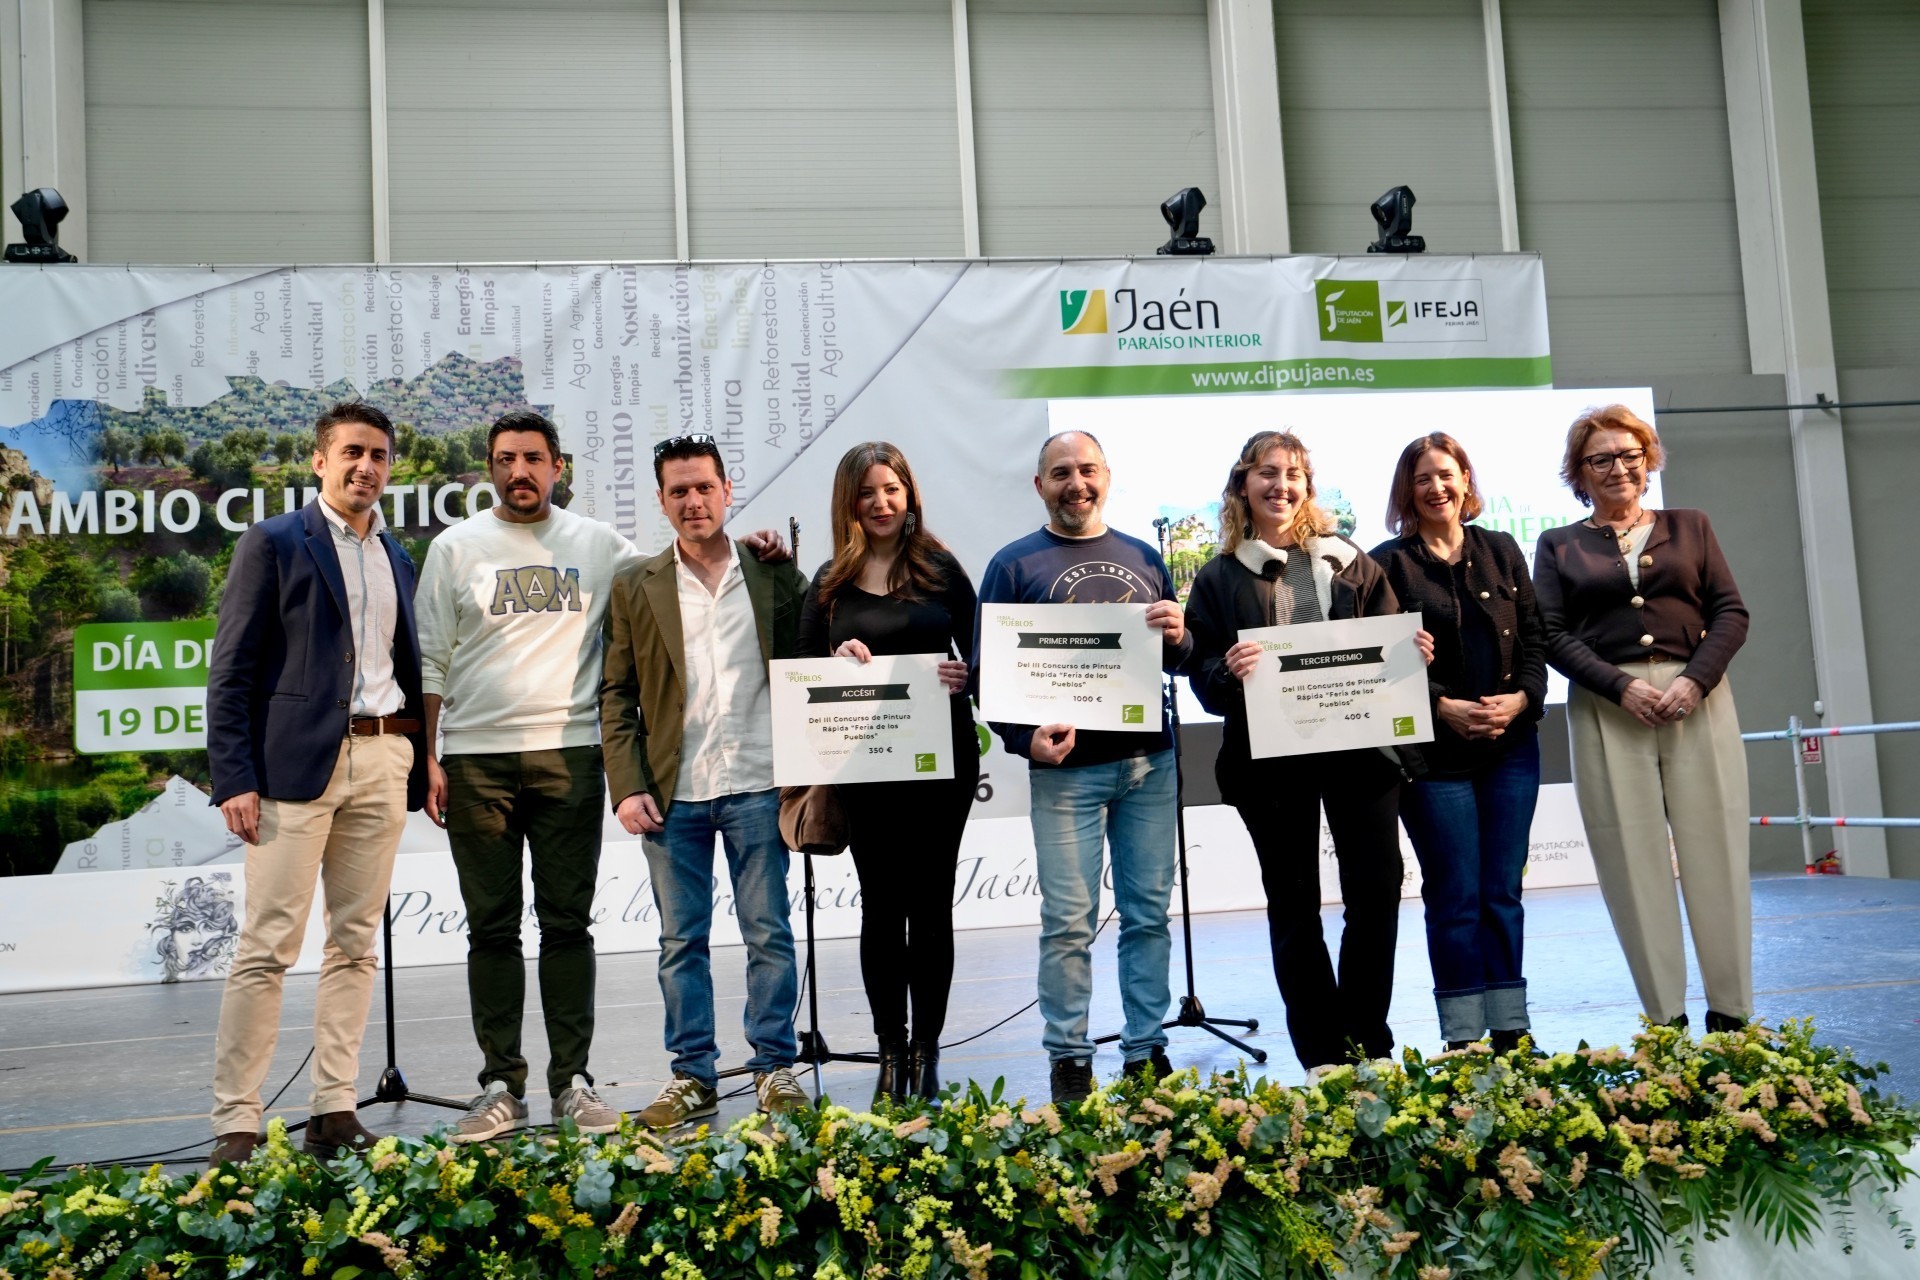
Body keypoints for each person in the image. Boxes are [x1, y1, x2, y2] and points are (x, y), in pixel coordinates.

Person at [203, 401, 427, 1166]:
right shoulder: (272, 543)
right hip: (293, 772)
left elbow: (405, 667)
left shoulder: (397, 554)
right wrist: (234, 774)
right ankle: (236, 1119)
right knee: (267, 947)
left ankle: (334, 1107)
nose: (367, 466)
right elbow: (231, 668)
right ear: (321, 461)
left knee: (357, 946)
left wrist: (418, 760)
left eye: (380, 455)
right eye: (353, 452)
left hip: (383, 756)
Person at [414, 410, 638, 1142]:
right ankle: (499, 1085)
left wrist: (754, 550)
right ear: (488, 468)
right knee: (492, 928)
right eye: (507, 459)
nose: (521, 472)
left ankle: (572, 1080)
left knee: (568, 924)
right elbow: (431, 662)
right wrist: (429, 756)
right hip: (475, 760)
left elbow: (674, 583)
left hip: (570, 754)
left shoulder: (600, 545)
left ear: (558, 466)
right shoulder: (454, 548)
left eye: (534, 459)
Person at [1185, 430, 1430, 1075]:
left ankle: (1366, 1038)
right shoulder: (1217, 577)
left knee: (1376, 890)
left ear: (1308, 486)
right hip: (1270, 762)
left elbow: (1389, 642)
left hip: (1362, 754)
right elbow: (1201, 675)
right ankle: (1323, 1054)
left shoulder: (1352, 561)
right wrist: (1225, 670)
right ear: (1243, 484)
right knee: (1294, 903)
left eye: (1294, 474)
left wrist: (1413, 653)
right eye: (1267, 473)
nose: (1281, 486)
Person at [601, 432, 813, 1127]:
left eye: (704, 487)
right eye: (678, 491)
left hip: (758, 780)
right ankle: (692, 1074)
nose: (693, 501)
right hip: (673, 792)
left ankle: (774, 1068)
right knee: (679, 942)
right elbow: (616, 692)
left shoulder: (772, 570)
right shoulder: (636, 584)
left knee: (768, 933)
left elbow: (817, 643)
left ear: (727, 490)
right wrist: (627, 784)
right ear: (662, 503)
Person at [977, 430, 1190, 1105]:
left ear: (1107, 476)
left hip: (1148, 764)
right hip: (1066, 772)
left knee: (1149, 915)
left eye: (1088, 470)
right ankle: (1070, 1055)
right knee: (1069, 921)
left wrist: (1182, 637)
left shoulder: (1145, 556)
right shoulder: (1013, 565)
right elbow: (989, 677)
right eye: (1061, 472)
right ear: (1040, 485)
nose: (1077, 483)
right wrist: (1023, 739)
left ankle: (1145, 1048)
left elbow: (1177, 661)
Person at [1533, 404, 1751, 1032]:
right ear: (1580, 472)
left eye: (1630, 455)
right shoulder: (1557, 544)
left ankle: (1733, 1017)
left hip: (1698, 700)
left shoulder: (1692, 527)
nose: (1618, 468)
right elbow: (1550, 633)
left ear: (1648, 461)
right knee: (1631, 860)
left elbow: (1731, 613)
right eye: (1601, 459)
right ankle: (1665, 1019)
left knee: (1717, 852)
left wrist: (1695, 679)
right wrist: (1619, 687)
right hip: (1608, 707)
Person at [798, 442, 978, 1102]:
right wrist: (833, 657)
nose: (881, 502)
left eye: (891, 489)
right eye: (868, 492)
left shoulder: (941, 569)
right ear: (849, 503)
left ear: (909, 496)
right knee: (881, 908)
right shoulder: (829, 586)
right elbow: (801, 675)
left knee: (931, 909)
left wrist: (969, 675)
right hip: (865, 768)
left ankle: (927, 1056)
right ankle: (889, 1053)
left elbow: (987, 657)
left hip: (942, 767)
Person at [1370, 433, 1547, 1053]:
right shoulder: (1386, 564)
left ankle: (1512, 1031)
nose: (1437, 487)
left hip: (1511, 748)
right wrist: (1441, 704)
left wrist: (1522, 700)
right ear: (1407, 492)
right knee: (1455, 897)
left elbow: (1535, 641)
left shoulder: (1502, 549)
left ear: (1466, 480)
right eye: (1422, 478)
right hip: (1434, 756)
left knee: (1502, 892)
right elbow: (1379, 667)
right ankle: (1465, 1039)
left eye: (1447, 474)